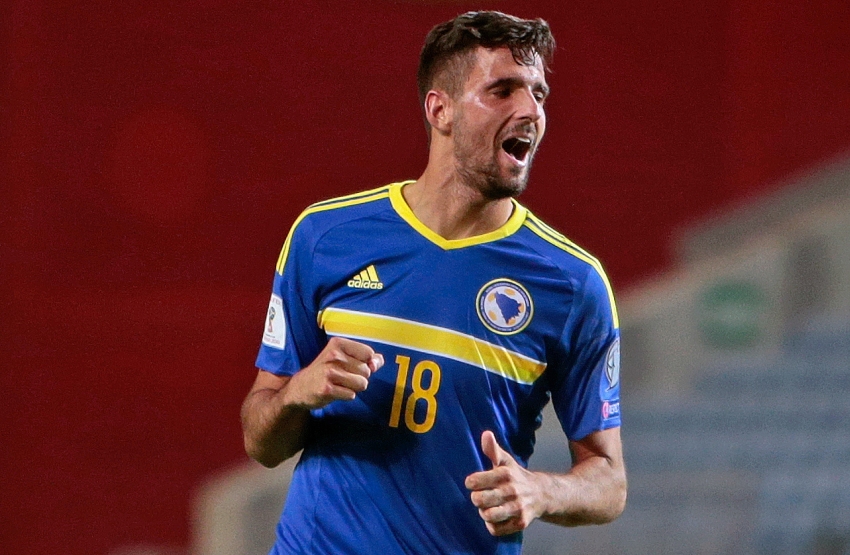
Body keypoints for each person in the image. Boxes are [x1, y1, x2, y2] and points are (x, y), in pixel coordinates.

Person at [241, 10, 626, 555]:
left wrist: (540, 490)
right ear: (439, 109)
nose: (531, 111)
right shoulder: (324, 237)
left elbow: (609, 481)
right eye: (503, 90)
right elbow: (260, 440)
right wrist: (296, 394)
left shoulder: (572, 284)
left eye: (538, 93)